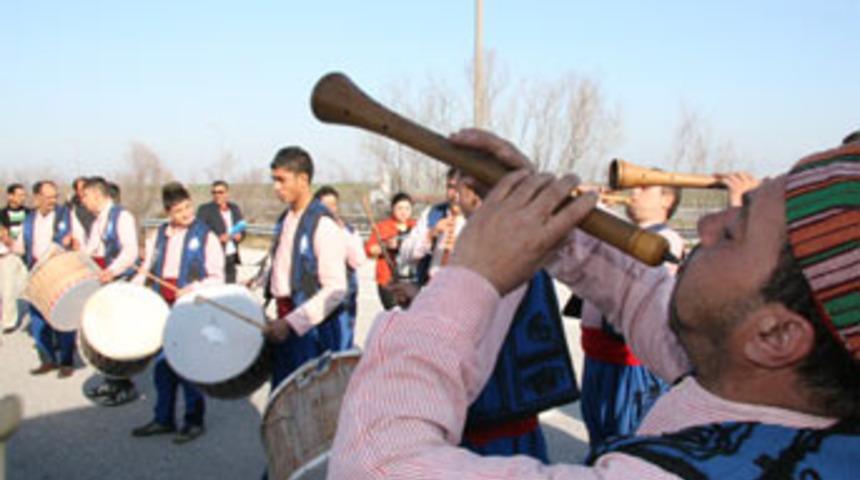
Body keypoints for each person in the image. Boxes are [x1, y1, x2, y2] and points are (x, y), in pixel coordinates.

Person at [330, 129, 860, 478]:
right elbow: (637, 293)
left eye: (734, 232)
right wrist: (532, 200)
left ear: (775, 336)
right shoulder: (778, 391)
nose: (706, 224)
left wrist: (471, 275)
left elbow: (376, 465)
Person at [452, 171, 579, 460]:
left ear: (472, 194)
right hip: (509, 405)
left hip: (496, 410)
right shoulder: (512, 241)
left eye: (457, 189)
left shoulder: (497, 251)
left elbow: (479, 337)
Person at [572, 180, 685, 449]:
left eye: (645, 189)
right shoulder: (625, 232)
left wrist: (596, 211)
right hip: (599, 356)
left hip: (631, 363)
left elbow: (632, 271)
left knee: (627, 437)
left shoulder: (666, 239)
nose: (633, 193)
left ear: (666, 201)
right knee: (599, 435)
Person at [131, 182, 224, 444]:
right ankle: (163, 419)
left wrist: (194, 288)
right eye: (179, 210)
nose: (186, 213)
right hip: (163, 309)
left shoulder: (206, 236)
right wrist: (130, 292)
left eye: (188, 207)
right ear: (168, 211)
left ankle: (194, 420)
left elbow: (217, 277)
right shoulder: (158, 236)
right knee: (163, 367)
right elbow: (145, 270)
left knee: (189, 366)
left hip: (191, 309)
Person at [259, 146, 348, 388]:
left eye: (281, 180)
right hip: (284, 321)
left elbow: (336, 290)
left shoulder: (323, 224)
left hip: (311, 329)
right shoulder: (284, 220)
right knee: (284, 403)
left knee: (309, 406)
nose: (276, 187)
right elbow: (283, 267)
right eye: (274, 180)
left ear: (303, 180)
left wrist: (291, 322)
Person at [10, 181, 83, 377]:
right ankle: (48, 359)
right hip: (37, 274)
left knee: (63, 318)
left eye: (55, 196)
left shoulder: (66, 215)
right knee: (38, 320)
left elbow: (80, 239)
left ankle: (66, 362)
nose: (53, 200)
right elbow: (20, 247)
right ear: (37, 198)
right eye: (48, 196)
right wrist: (8, 242)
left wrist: (75, 243)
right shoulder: (29, 220)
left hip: (59, 273)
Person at [80, 176, 141, 406]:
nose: (82, 201)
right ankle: (110, 380)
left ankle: (125, 385)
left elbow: (130, 251)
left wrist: (112, 270)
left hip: (121, 283)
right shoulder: (98, 221)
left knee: (119, 337)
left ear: (97, 194)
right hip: (105, 284)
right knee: (104, 336)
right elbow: (92, 249)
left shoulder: (122, 216)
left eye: (84, 196)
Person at [315, 185, 365, 349]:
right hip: (319, 295)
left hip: (345, 294)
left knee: (343, 340)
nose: (331, 209)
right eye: (325, 205)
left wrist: (343, 233)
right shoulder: (311, 231)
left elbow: (357, 260)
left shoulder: (348, 230)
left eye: (334, 204)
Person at [399, 168, 465, 285]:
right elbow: (405, 253)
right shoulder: (433, 214)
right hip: (431, 288)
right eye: (451, 187)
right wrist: (430, 235)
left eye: (461, 188)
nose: (456, 195)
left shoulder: (482, 218)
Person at [364, 192, 417, 309]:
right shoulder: (383, 227)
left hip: (412, 280)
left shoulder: (416, 226)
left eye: (407, 208)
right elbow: (370, 250)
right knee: (395, 314)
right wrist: (386, 246)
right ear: (392, 209)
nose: (403, 212)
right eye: (400, 208)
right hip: (388, 280)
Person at [196, 180, 245, 283]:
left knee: (230, 289)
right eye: (214, 192)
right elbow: (198, 232)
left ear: (227, 193)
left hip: (231, 256)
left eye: (220, 192)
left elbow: (242, 228)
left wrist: (240, 236)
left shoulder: (234, 208)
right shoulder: (205, 210)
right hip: (213, 256)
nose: (217, 195)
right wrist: (218, 239)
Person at [0, 184, 29, 333]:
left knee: (29, 287)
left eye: (24, 195)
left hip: (26, 254)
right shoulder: (2, 214)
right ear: (10, 196)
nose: (22, 198)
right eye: (19, 195)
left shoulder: (29, 213)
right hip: (8, 255)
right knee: (8, 289)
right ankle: (9, 322)